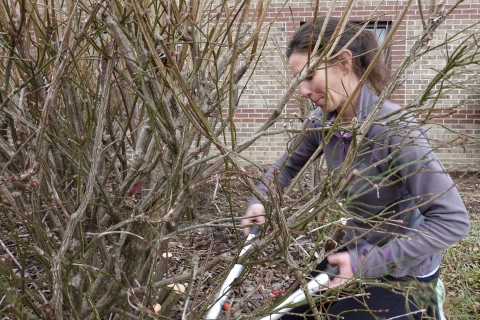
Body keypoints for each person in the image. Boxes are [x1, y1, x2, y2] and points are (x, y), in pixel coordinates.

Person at [242, 17, 470, 319]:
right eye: (299, 80)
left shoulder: (396, 130)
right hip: (356, 253)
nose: (303, 90)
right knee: (290, 314)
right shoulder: (322, 121)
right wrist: (262, 198)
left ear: (344, 63)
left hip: (405, 271)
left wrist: (371, 261)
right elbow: (287, 165)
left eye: (310, 76)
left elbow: (452, 220)